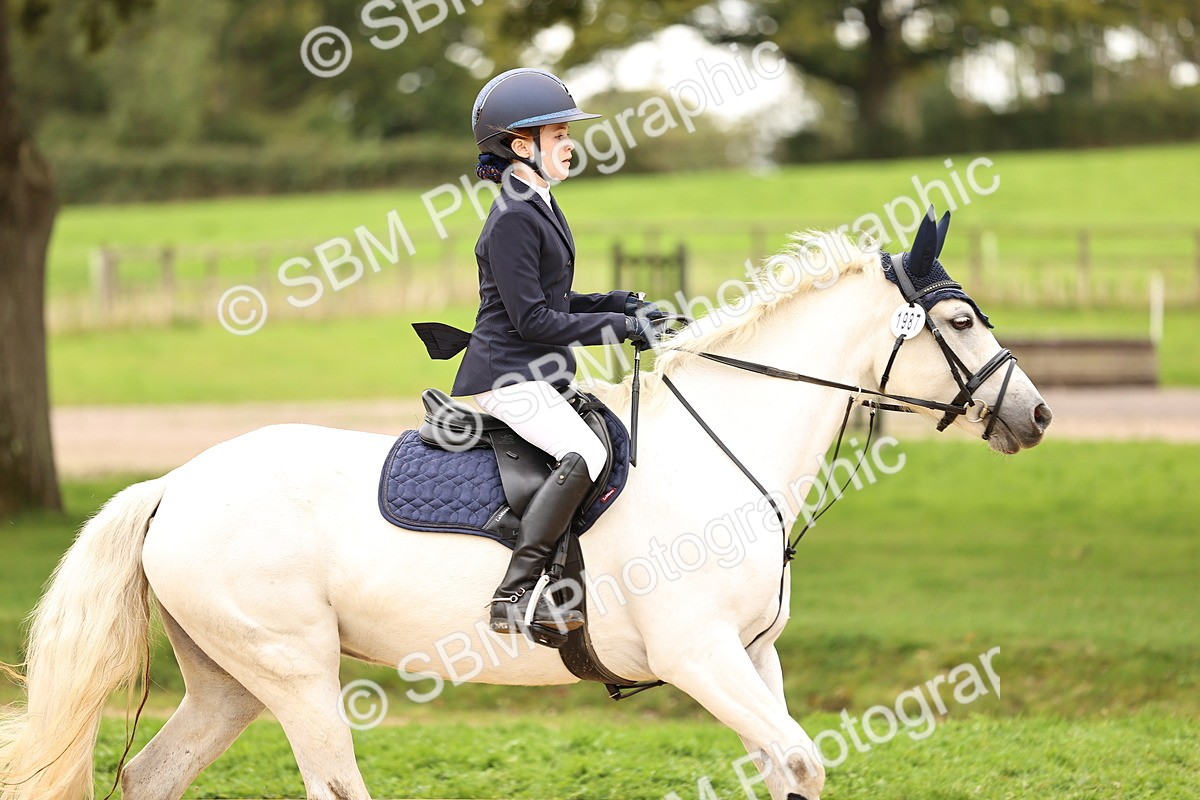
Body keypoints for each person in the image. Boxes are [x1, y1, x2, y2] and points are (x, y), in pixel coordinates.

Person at [452, 68, 663, 636]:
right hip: (508, 374)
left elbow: (554, 296)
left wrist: (622, 302)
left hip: (534, 371)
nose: (570, 144)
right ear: (522, 146)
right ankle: (516, 592)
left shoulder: (537, 202)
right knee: (583, 454)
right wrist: (621, 328)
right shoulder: (515, 217)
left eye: (568, 132)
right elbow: (535, 320)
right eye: (558, 134)